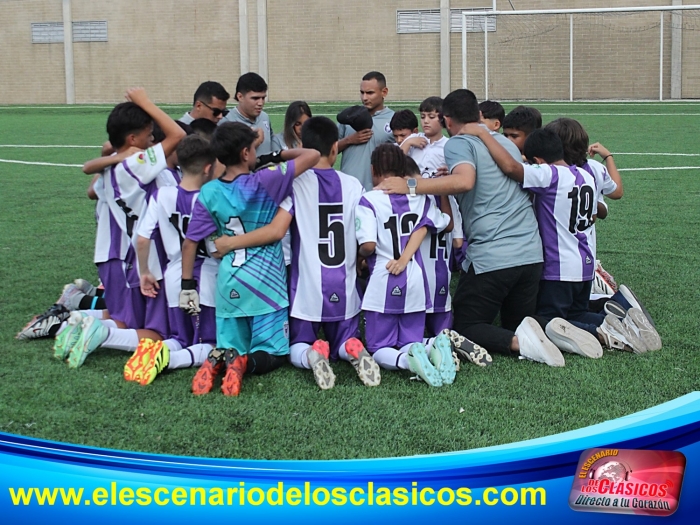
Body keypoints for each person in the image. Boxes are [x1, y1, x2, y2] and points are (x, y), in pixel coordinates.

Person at [374, 89, 580, 367]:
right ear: (478, 114)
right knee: (515, 322)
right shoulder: (503, 143)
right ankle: (557, 331)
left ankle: (523, 344)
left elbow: (465, 181)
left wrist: (410, 185)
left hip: (494, 257)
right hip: (531, 256)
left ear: (447, 120)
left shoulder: (458, 142)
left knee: (465, 325)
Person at [181, 122, 320, 396]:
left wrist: (187, 284)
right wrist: (275, 156)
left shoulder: (209, 192)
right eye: (255, 148)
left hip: (229, 282)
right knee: (273, 352)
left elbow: (190, 242)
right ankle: (243, 365)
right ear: (246, 153)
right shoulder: (267, 179)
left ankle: (221, 359)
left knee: (231, 345)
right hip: (266, 284)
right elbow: (312, 155)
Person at [356, 144, 454, 386]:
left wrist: (360, 256)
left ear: (373, 170)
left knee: (378, 347)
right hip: (414, 278)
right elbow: (430, 226)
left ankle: (408, 362)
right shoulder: (419, 198)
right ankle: (431, 346)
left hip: (383, 276)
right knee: (411, 338)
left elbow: (368, 245)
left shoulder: (368, 200)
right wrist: (405, 258)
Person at [124, 135, 219, 385]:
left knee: (180, 335)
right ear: (208, 168)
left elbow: (142, 239)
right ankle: (169, 359)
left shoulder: (163, 194)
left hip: (174, 275)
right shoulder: (211, 196)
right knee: (210, 342)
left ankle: (158, 350)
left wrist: (144, 272)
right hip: (207, 276)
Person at [337, 71, 395, 191]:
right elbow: (328, 150)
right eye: (362, 93)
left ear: (384, 92)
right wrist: (349, 140)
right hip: (347, 189)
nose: (364, 98)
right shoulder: (349, 117)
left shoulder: (393, 119)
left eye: (370, 93)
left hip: (379, 191)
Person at [221, 72, 274, 155]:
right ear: (240, 97)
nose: (260, 103)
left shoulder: (264, 117)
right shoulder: (227, 122)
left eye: (263, 98)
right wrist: (256, 142)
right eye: (255, 98)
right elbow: (228, 158)